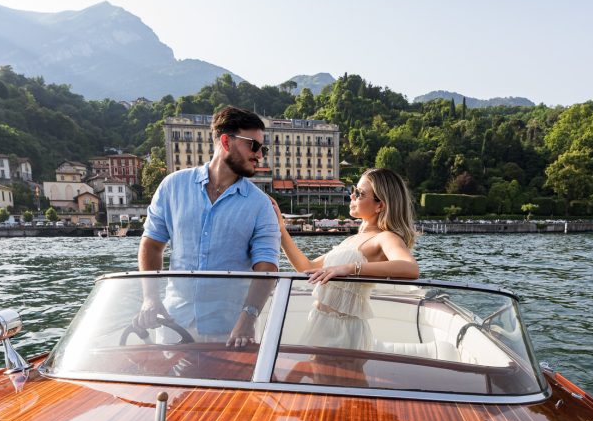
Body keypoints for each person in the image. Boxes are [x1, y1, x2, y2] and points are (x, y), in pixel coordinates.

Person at [136, 106, 279, 346]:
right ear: (226, 141)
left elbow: (266, 266)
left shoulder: (261, 205)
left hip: (231, 331)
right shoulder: (172, 186)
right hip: (174, 322)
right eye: (253, 146)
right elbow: (152, 245)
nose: (260, 155)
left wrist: (248, 318)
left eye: (263, 148)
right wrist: (150, 299)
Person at [277, 168, 419, 353]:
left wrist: (350, 268)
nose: (351, 195)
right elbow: (306, 267)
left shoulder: (386, 237)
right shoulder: (351, 240)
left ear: (380, 205)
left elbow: (410, 268)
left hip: (344, 330)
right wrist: (280, 229)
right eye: (354, 190)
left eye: (359, 193)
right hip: (320, 321)